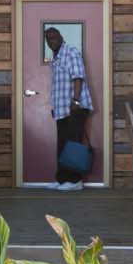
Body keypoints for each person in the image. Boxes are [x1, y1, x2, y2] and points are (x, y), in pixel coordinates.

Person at [45, 26, 93, 189]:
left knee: (72, 144)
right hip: (62, 108)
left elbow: (78, 77)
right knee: (62, 143)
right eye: (48, 39)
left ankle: (75, 181)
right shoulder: (55, 58)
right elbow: (57, 85)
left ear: (61, 37)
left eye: (53, 38)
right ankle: (61, 180)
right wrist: (54, 105)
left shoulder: (71, 52)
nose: (51, 41)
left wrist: (76, 100)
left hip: (76, 106)